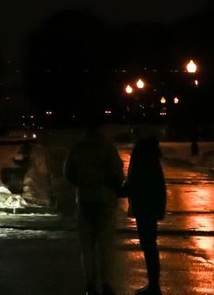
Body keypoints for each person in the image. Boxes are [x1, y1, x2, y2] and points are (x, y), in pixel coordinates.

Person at [64, 111, 125, 295]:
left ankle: (90, 285)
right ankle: (105, 283)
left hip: (84, 200)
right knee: (105, 246)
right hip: (105, 201)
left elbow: (68, 173)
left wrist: (82, 185)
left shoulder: (77, 148)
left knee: (87, 247)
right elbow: (117, 174)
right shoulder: (107, 148)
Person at [121, 124, 167, 295]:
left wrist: (120, 190)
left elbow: (136, 179)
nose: (132, 136)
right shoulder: (150, 152)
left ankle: (154, 286)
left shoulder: (141, 152)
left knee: (148, 244)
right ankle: (154, 284)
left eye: (134, 132)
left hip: (144, 203)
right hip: (151, 202)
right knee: (150, 243)